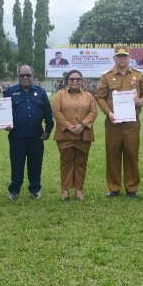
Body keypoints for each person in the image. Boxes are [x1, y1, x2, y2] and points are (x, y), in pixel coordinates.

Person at [95, 45, 143, 198]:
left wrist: (141, 101)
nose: (122, 59)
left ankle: (132, 188)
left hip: (132, 122)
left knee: (132, 154)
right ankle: (114, 187)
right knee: (113, 153)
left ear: (129, 58)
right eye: (119, 57)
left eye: (125, 56)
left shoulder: (138, 75)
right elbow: (100, 97)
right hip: (113, 122)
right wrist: (109, 112)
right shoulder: (106, 76)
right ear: (114, 58)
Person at [4, 65, 54, 200]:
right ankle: (14, 190)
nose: (25, 77)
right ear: (18, 77)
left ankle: (35, 189)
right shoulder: (9, 92)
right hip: (16, 137)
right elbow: (3, 113)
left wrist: (48, 130)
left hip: (36, 136)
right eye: (22, 75)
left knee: (35, 164)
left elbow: (48, 113)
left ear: (33, 76)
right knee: (17, 165)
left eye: (28, 75)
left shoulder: (41, 92)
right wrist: (4, 124)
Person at [52, 69, 97, 200]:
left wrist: (82, 125)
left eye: (78, 79)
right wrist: (68, 126)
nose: (75, 81)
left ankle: (79, 189)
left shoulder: (88, 96)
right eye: (72, 79)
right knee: (66, 162)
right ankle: (65, 189)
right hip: (65, 134)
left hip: (84, 134)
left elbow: (93, 112)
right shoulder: (60, 95)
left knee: (81, 162)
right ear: (67, 81)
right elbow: (56, 112)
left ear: (82, 82)